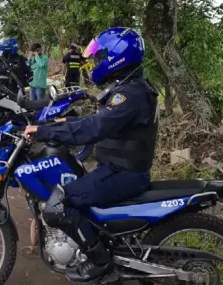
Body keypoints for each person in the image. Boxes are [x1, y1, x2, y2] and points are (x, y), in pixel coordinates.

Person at [24, 28, 159, 283]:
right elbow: (103, 121)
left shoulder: (130, 94)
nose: (95, 62)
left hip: (123, 174)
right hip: (118, 169)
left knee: (58, 205)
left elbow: (95, 128)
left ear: (117, 56)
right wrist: (62, 123)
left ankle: (100, 261)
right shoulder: (130, 86)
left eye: (100, 57)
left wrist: (45, 131)